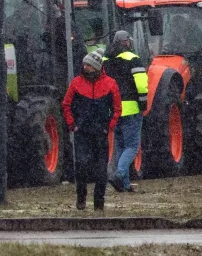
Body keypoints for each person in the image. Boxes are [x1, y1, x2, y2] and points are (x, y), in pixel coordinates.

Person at [63, 51, 122, 211]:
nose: (85, 66)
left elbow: (117, 109)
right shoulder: (76, 83)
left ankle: (99, 202)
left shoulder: (110, 84)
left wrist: (109, 126)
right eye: (85, 64)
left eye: (88, 64)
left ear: (96, 67)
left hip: (100, 133)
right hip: (82, 132)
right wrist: (72, 125)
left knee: (101, 170)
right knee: (81, 165)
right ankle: (81, 197)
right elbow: (66, 105)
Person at [103, 29, 148, 193]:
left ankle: (125, 185)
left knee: (120, 146)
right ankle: (119, 174)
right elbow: (141, 84)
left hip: (112, 109)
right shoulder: (133, 59)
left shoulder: (105, 60)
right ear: (126, 42)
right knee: (132, 146)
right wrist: (143, 103)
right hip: (130, 108)